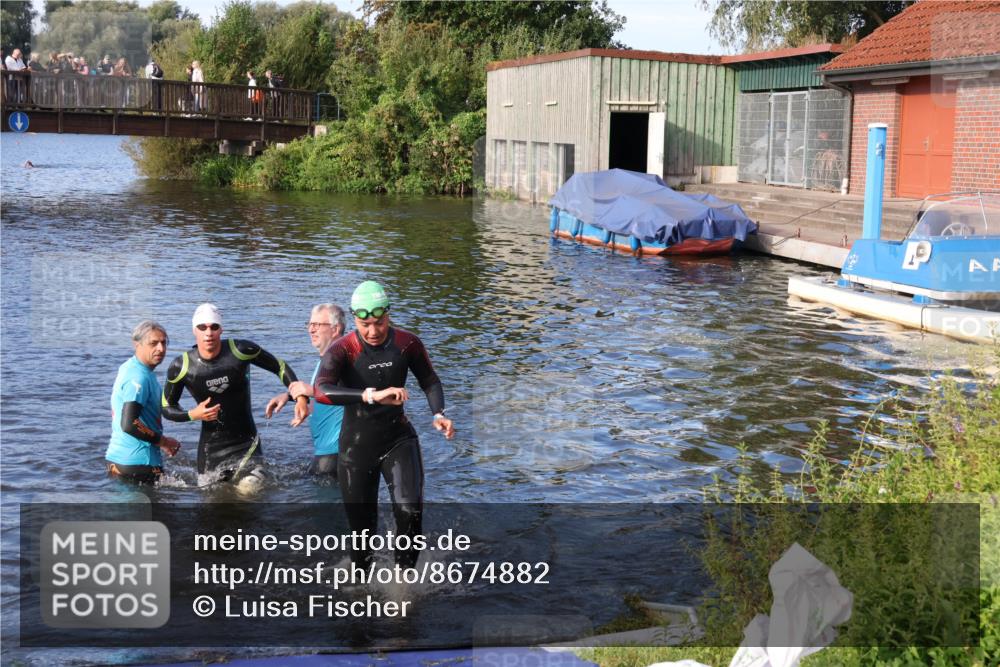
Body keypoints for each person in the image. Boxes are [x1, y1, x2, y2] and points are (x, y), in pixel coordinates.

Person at [314, 281, 455, 568]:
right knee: (362, 532)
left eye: (379, 322)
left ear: (388, 314)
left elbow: (429, 380)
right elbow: (321, 390)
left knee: (409, 511)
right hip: (356, 449)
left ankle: (403, 585)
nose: (373, 331)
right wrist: (370, 395)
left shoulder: (407, 343)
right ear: (354, 319)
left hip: (398, 440)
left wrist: (438, 413)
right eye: (365, 324)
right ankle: (361, 588)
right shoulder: (343, 349)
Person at [162, 303, 308, 481]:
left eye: (214, 327)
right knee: (212, 503)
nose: (209, 332)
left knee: (250, 491)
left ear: (221, 329)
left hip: (246, 443)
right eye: (202, 327)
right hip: (210, 450)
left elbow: (279, 366)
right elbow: (167, 407)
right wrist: (192, 414)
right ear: (195, 330)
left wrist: (300, 397)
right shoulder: (181, 366)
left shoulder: (240, 351)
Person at [266, 304, 346, 476]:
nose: (311, 330)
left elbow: (352, 392)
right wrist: (290, 396)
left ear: (335, 329)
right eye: (309, 324)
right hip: (326, 453)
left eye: (317, 325)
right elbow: (330, 403)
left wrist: (309, 390)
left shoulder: (343, 357)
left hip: (338, 454)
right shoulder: (325, 361)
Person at [106, 321, 182, 485]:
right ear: (137, 344)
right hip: (140, 464)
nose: (161, 349)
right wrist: (163, 442)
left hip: (117, 461)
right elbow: (129, 424)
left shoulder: (130, 368)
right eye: (153, 343)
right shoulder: (138, 378)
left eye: (163, 343)